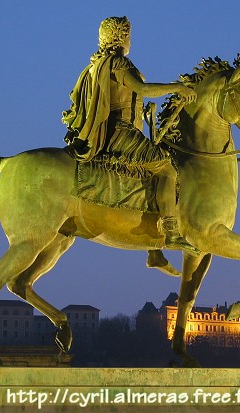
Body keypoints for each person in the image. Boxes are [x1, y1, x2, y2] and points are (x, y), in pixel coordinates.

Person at [62, 16, 197, 255]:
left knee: (151, 169)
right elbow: (143, 89)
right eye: (127, 35)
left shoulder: (95, 65)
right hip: (120, 132)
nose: (129, 40)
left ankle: (153, 251)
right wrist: (177, 88)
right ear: (120, 37)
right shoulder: (117, 63)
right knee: (166, 168)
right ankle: (171, 230)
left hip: (114, 129)